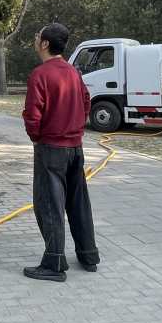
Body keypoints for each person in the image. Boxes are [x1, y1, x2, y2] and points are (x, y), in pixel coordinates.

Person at [21, 22, 100, 282]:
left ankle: (54, 263)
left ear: (44, 44)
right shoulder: (73, 72)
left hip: (50, 149)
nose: (35, 39)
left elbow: (33, 115)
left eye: (37, 35)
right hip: (75, 148)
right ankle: (88, 255)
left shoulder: (40, 74)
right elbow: (86, 101)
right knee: (78, 203)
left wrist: (36, 138)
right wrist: (75, 125)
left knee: (49, 205)